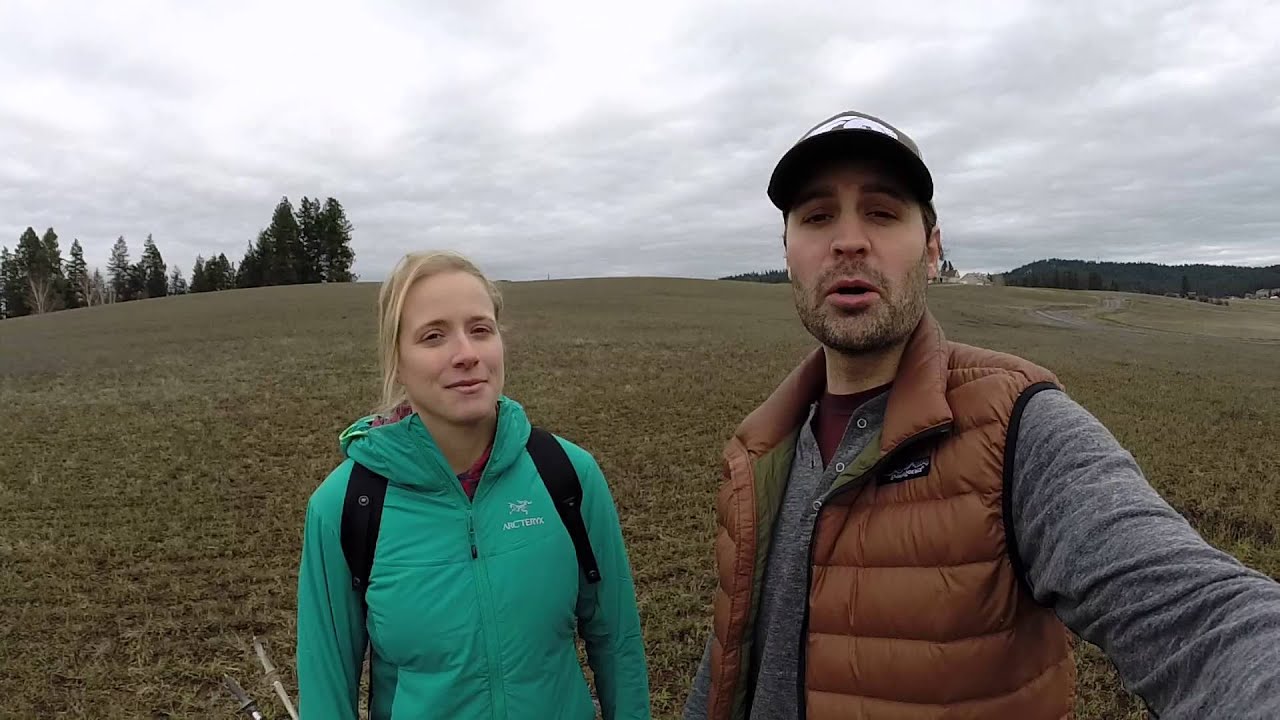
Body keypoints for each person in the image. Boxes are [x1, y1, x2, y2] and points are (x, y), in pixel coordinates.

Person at [681, 110, 1280, 719]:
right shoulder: (762, 449)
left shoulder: (1019, 427)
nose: (849, 240)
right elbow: (729, 663)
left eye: (883, 213)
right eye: (816, 216)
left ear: (933, 248)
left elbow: (1202, 613)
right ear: (788, 252)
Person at [295, 250, 651, 719]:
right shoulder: (346, 507)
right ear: (396, 359)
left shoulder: (568, 474)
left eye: (480, 329)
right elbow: (326, 692)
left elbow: (618, 643)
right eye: (433, 336)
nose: (466, 354)